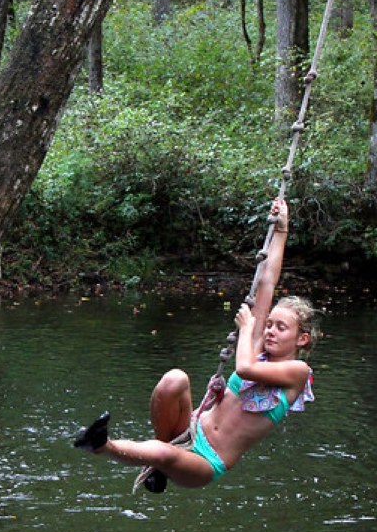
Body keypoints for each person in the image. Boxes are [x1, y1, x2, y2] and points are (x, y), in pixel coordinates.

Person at [73, 197, 316, 491]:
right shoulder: (258, 348)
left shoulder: (297, 372)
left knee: (164, 454)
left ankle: (101, 445)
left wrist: (247, 328)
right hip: (192, 429)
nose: (270, 331)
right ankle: (160, 466)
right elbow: (267, 282)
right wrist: (281, 229)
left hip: (207, 461)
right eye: (269, 324)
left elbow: (245, 369)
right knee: (174, 379)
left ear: (302, 339)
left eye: (281, 327)